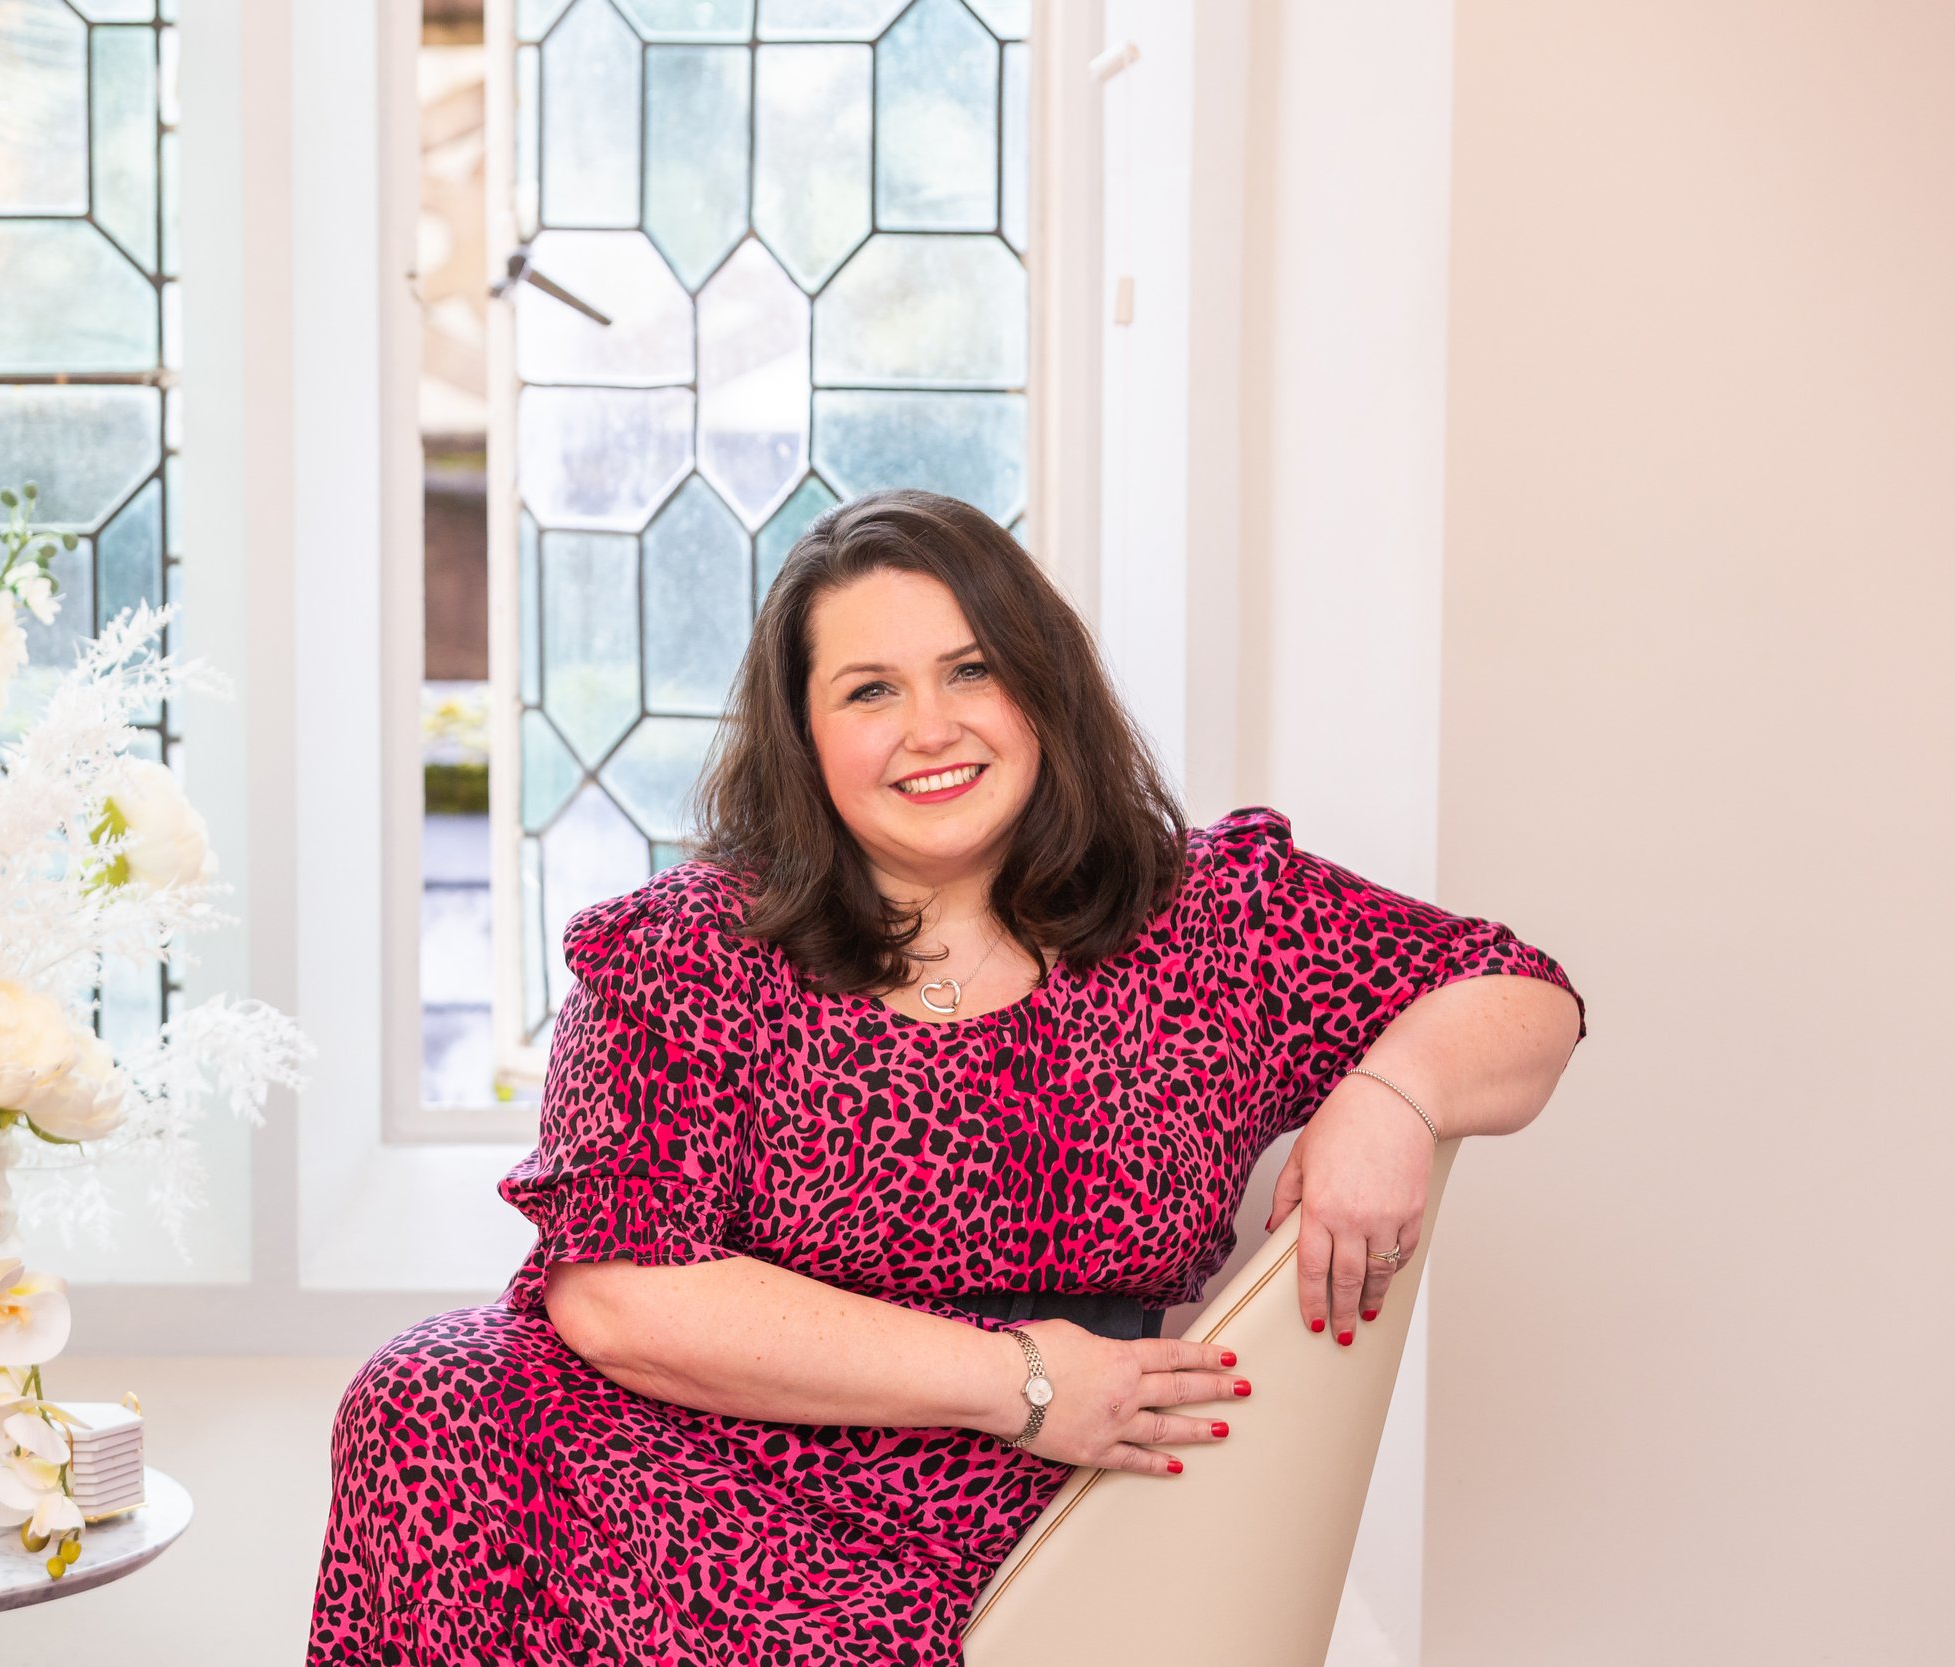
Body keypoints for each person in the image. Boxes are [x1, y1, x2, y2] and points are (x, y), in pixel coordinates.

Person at [306, 489, 1585, 1664]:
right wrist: (1019, 1380)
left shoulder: (1212, 913)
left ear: (1042, 684)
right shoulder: (687, 951)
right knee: (428, 1397)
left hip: (1063, 1494)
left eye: (971, 668)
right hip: (717, 1463)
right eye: (869, 689)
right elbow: (616, 1294)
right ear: (804, 736)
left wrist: (1392, 1092)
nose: (931, 727)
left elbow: (1522, 994)